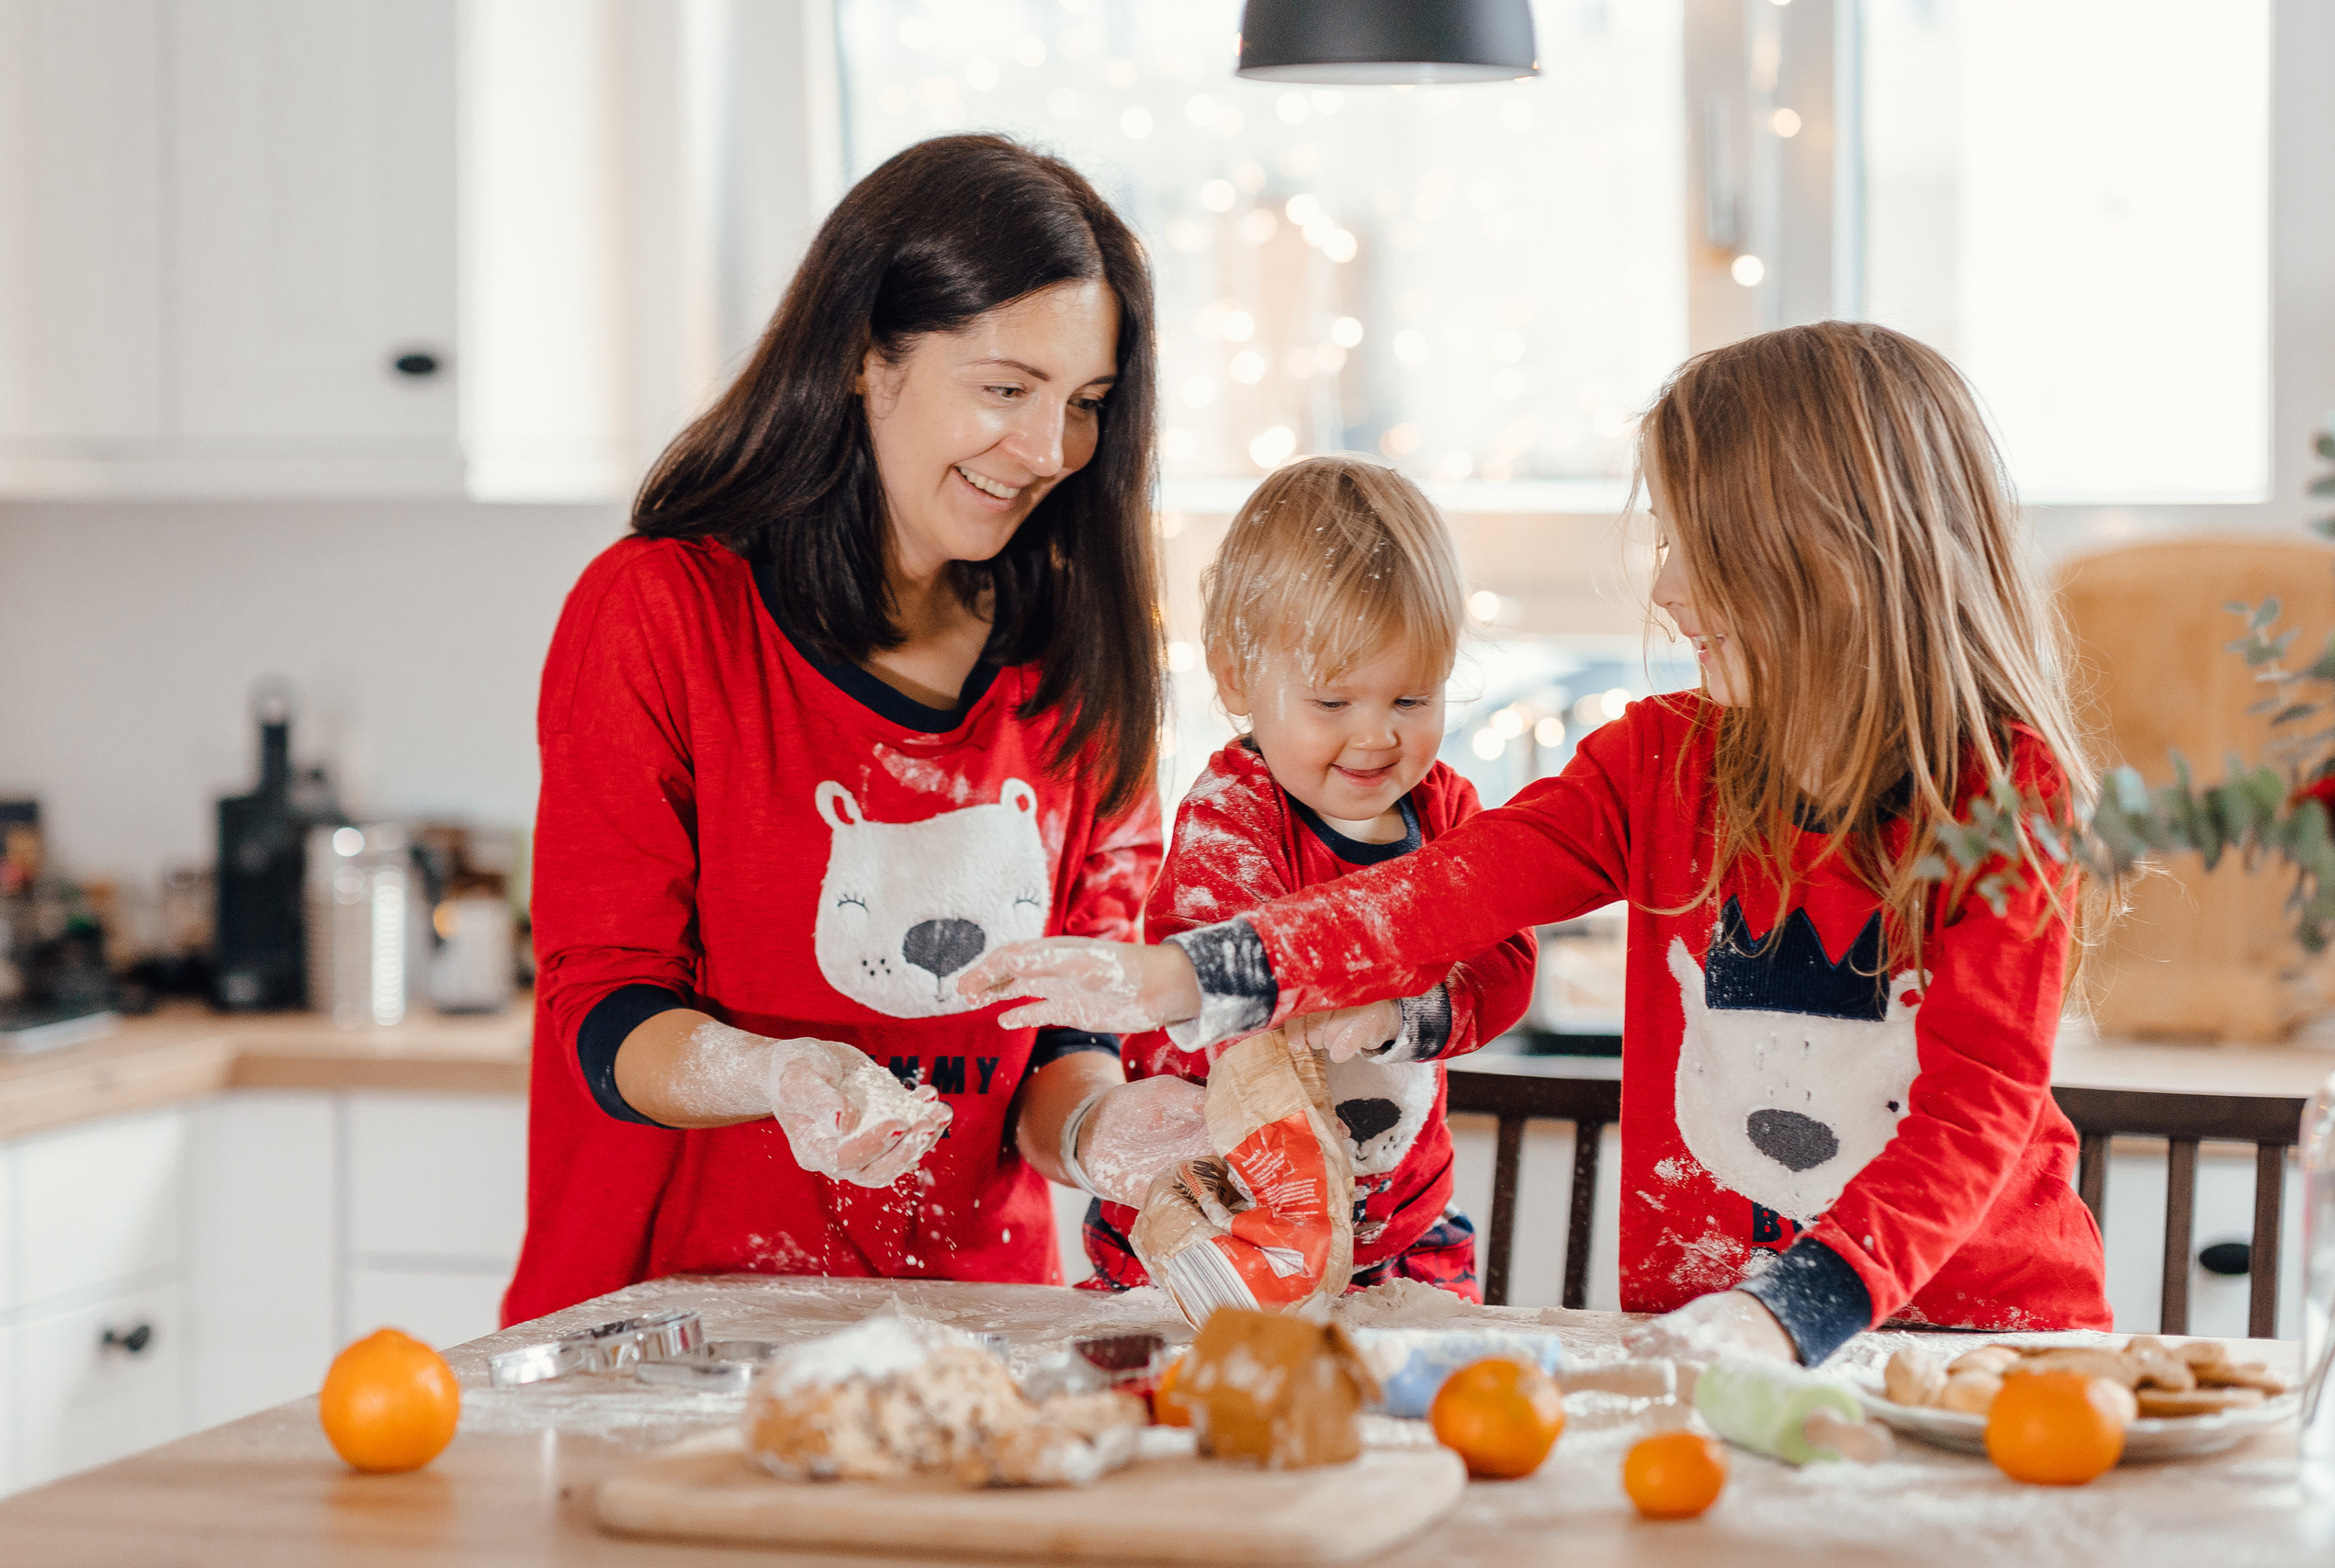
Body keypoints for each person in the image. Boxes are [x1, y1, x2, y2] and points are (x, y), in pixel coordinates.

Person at [962, 321, 2113, 1368]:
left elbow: (1976, 1109)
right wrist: (1175, 974)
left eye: (1694, 541)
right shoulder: (1661, 766)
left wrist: (1790, 1308)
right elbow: (1438, 896)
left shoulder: (2003, 796)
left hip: (1982, 1342)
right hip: (1712, 1336)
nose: (1666, 587)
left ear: (1818, 555)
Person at [503, 135, 1191, 1323]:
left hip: (969, 1339)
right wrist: (774, 1073)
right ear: (866, 358)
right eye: (1005, 388)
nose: (1047, 452)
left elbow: (1057, 1041)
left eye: (1085, 405)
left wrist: (1104, 1123)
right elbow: (601, 1015)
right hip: (666, 1333)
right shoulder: (661, 615)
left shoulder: (1079, 652)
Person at [1063, 457, 1536, 1299]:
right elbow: (1219, 985)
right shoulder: (1233, 817)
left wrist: (1392, 1013)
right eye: (1332, 703)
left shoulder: (1450, 811)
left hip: (1399, 1223)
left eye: (1411, 700)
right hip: (1224, 1218)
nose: (1375, 738)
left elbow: (1502, 967)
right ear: (1239, 675)